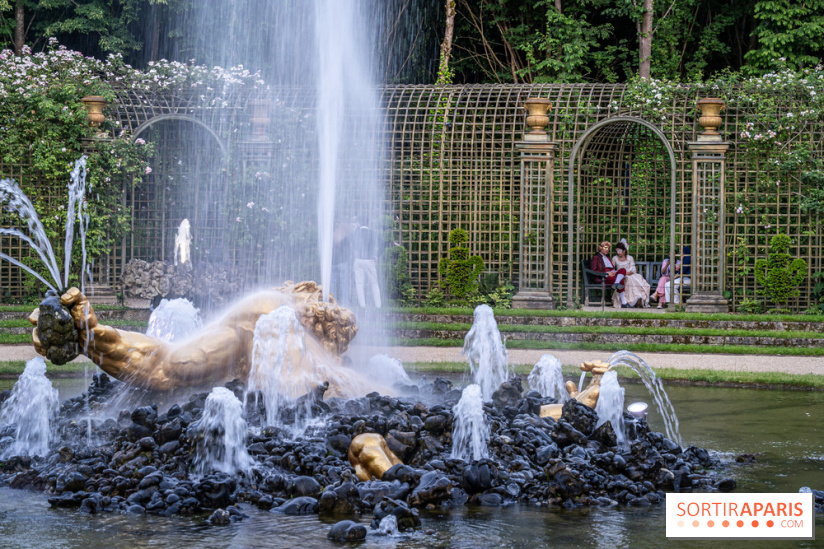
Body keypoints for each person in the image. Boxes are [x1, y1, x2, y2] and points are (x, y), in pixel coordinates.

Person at [589, 240, 630, 308]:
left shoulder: (607, 258)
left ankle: (616, 283)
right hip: (603, 277)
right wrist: (606, 274)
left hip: (612, 275)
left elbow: (612, 268)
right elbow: (594, 270)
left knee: (623, 270)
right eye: (605, 247)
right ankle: (624, 303)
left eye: (608, 248)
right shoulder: (596, 258)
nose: (607, 249)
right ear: (600, 248)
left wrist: (613, 272)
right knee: (621, 280)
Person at [611, 239, 651, 308]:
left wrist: (626, 273)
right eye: (617, 251)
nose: (618, 253)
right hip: (620, 276)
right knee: (626, 279)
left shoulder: (630, 258)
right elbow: (612, 269)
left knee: (631, 280)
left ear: (624, 251)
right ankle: (626, 302)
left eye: (620, 251)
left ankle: (636, 300)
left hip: (630, 274)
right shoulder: (615, 258)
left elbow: (633, 270)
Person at [352, 225, 382, 309]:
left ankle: (362, 306)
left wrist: (355, 253)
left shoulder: (356, 233)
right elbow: (383, 243)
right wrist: (377, 255)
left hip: (358, 260)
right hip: (369, 260)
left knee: (359, 283)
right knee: (374, 283)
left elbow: (351, 246)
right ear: (368, 224)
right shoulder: (372, 233)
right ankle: (378, 306)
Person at [331, 220, 353, 305]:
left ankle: (333, 303)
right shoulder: (346, 237)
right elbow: (348, 251)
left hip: (333, 264)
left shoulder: (333, 235)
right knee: (344, 286)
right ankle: (345, 304)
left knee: (333, 285)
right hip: (343, 264)